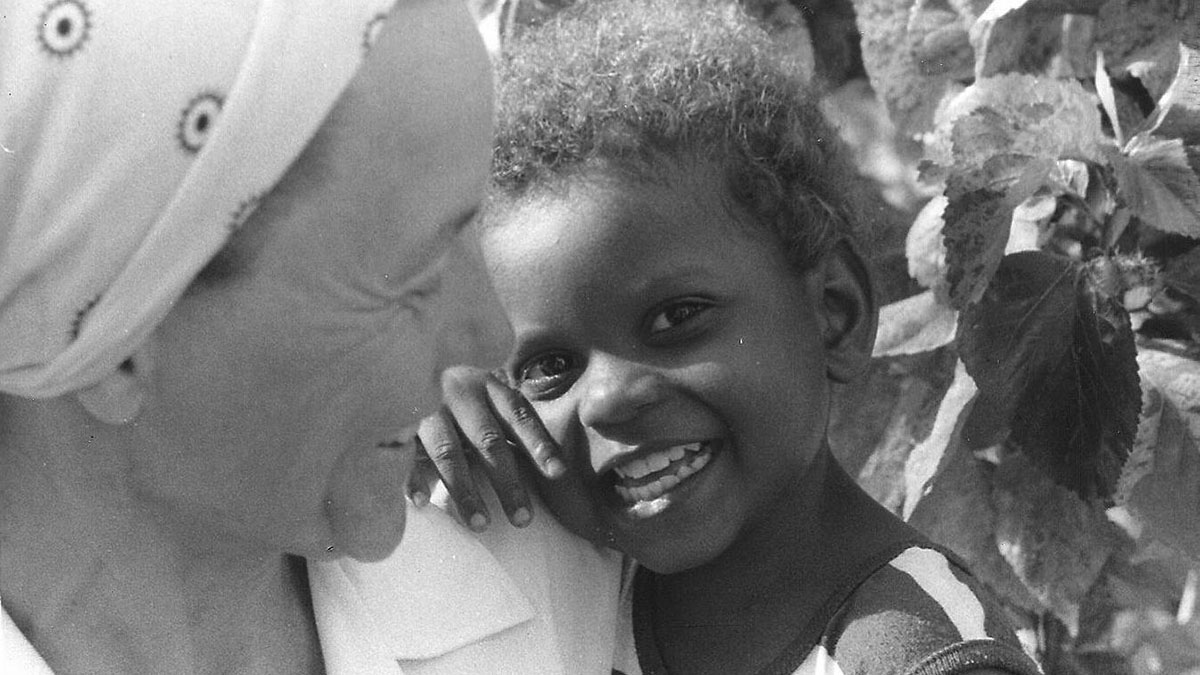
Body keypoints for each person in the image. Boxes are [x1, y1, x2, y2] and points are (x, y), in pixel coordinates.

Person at [421, 1, 1046, 672]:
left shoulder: (915, 655)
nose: (606, 398)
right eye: (548, 365)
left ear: (834, 312)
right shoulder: (580, 589)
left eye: (675, 318)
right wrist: (417, 399)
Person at [0, 0, 620, 673]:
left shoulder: (561, 579)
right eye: (415, 275)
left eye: (473, 228)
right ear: (117, 350)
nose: (490, 339)